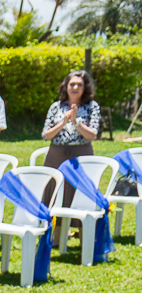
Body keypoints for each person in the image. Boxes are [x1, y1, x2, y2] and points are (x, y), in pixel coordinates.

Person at [41, 70, 100, 209]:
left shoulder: (92, 106)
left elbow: (92, 135)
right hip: (56, 156)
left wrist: (76, 122)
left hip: (82, 155)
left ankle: (80, 229)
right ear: (65, 86)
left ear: (85, 88)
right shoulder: (56, 106)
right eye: (72, 84)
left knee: (80, 195)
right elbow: (46, 135)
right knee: (54, 193)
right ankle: (57, 229)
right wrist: (63, 122)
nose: (75, 88)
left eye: (79, 85)